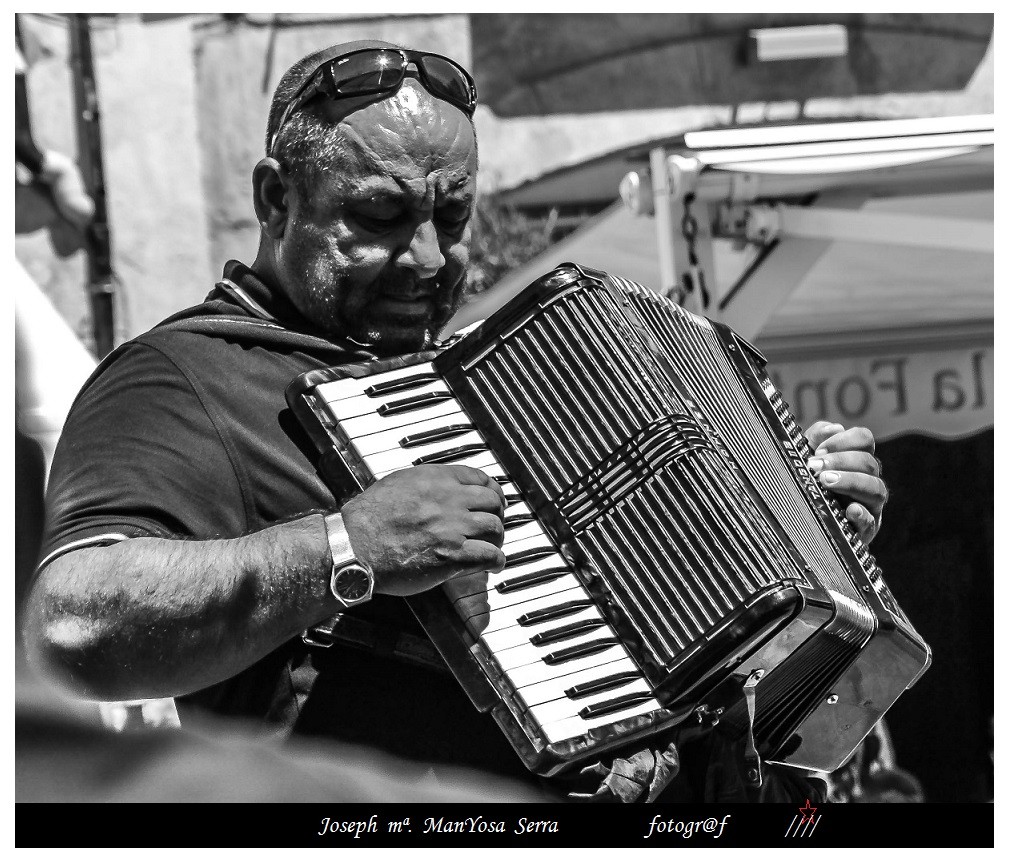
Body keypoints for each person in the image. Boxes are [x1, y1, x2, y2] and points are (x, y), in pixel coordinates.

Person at [23, 41, 890, 803]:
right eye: (380, 216)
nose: (428, 259)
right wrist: (343, 551)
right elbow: (77, 629)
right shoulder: (183, 378)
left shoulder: (494, 383)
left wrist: (787, 517)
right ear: (275, 200)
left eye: (451, 216)